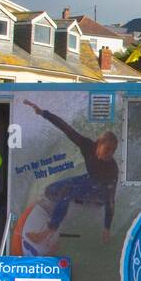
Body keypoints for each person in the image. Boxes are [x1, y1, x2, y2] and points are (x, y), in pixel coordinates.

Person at [23, 100, 119, 246]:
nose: (109, 154)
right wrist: (43, 113)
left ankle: (47, 233)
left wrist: (107, 227)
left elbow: (110, 200)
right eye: (107, 149)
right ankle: (58, 210)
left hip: (99, 194)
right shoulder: (87, 146)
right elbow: (66, 128)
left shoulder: (111, 169)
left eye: (113, 151)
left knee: (67, 192)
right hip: (89, 180)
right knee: (51, 190)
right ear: (98, 144)